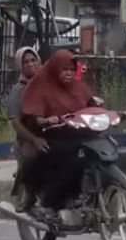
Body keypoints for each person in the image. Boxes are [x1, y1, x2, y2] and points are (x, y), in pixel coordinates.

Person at [19, 50, 98, 215]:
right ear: (55, 70)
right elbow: (32, 117)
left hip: (76, 132)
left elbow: (90, 104)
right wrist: (46, 120)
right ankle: (50, 200)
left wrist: (112, 112)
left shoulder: (77, 86)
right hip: (51, 135)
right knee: (71, 158)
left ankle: (90, 196)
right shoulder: (41, 85)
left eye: (71, 69)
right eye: (64, 69)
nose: (69, 73)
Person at [6, 46, 45, 162]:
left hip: (51, 134)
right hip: (29, 139)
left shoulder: (47, 84)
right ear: (20, 66)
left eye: (33, 60)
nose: (30, 64)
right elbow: (15, 121)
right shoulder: (19, 90)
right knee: (31, 159)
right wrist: (34, 140)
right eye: (26, 62)